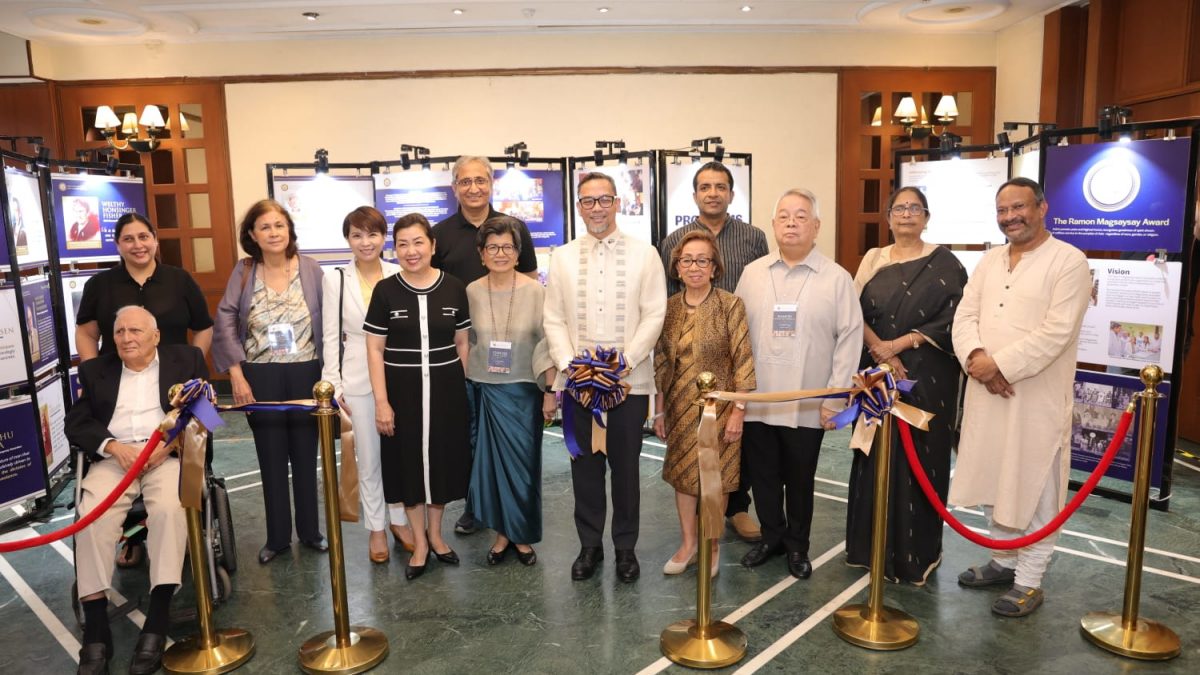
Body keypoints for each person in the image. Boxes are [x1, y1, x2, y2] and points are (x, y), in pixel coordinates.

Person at [950, 177, 1091, 617]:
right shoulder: (990, 261)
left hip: (1035, 398)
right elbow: (965, 315)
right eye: (1003, 210)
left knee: (1035, 485)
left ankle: (1029, 579)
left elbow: (1057, 332)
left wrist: (1000, 366)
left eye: (1019, 207)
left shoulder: (1069, 261)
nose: (1011, 217)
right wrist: (976, 357)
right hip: (988, 393)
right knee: (998, 476)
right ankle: (1004, 559)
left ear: (1043, 207)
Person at [66, 306, 208, 675]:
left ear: (156, 335)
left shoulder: (186, 360)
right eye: (119, 332)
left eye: (136, 331)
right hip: (116, 458)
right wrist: (113, 446)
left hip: (165, 455)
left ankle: (157, 618)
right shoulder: (96, 370)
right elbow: (77, 422)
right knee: (90, 518)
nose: (127, 338)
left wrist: (172, 446)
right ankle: (96, 628)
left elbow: (207, 416)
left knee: (169, 511)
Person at [544, 172, 667, 583]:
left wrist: (624, 363)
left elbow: (655, 313)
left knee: (626, 468)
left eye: (604, 200)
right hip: (578, 383)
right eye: (587, 201)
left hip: (628, 384)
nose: (596, 208)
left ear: (618, 203)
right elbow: (554, 318)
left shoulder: (645, 254)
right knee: (585, 466)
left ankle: (626, 549)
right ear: (578, 207)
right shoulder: (561, 257)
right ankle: (590, 546)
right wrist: (568, 366)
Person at [735, 188, 862, 579]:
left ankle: (797, 546)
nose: (791, 223)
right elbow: (736, 334)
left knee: (801, 478)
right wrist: (738, 399)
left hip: (809, 401)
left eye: (801, 216)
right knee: (763, 476)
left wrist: (834, 400)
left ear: (817, 226)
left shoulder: (837, 278)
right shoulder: (753, 273)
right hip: (759, 398)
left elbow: (850, 338)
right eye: (784, 216)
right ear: (773, 225)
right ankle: (771, 538)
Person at [844, 186, 967, 585]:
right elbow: (852, 309)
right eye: (899, 208)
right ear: (889, 217)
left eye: (915, 208)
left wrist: (900, 344)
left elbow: (955, 320)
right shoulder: (873, 258)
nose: (907, 215)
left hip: (927, 375)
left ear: (927, 217)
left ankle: (916, 554)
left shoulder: (945, 263)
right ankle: (868, 548)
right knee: (875, 458)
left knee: (920, 462)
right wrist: (880, 349)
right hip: (877, 375)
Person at [657, 161, 768, 543]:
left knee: (733, 454)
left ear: (732, 194)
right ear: (694, 195)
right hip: (686, 361)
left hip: (732, 349)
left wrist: (739, 403)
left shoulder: (753, 237)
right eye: (705, 187)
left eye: (720, 187)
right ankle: (694, 541)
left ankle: (736, 511)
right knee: (687, 466)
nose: (713, 193)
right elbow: (665, 303)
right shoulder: (675, 239)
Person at [213, 199, 326, 565]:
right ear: (252, 235)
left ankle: (310, 532)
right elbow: (226, 319)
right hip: (259, 375)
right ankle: (277, 538)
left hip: (307, 372)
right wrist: (236, 375)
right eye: (265, 227)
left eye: (279, 225)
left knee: (307, 456)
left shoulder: (310, 269)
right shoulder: (245, 271)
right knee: (271, 457)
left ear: (289, 230)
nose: (274, 233)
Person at [432, 155, 539, 536]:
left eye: (481, 180)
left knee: (512, 446)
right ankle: (475, 506)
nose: (473, 187)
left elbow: (527, 282)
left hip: (514, 358)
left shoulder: (516, 228)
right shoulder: (440, 234)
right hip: (463, 352)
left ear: (491, 183)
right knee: (470, 437)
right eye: (465, 181)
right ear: (455, 187)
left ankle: (510, 512)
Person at [364, 213, 472, 581]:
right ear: (396, 249)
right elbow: (375, 349)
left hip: (445, 390)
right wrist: (382, 401)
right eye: (404, 244)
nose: (412, 251)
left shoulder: (454, 287)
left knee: (440, 463)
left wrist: (461, 389)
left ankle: (437, 536)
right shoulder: (385, 291)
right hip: (401, 390)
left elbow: (462, 343)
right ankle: (419, 544)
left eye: (419, 242)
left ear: (432, 245)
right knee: (407, 464)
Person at [653, 230, 755, 577]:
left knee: (716, 481)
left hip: (721, 411)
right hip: (679, 409)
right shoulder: (667, 309)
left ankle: (712, 547)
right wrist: (660, 409)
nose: (694, 266)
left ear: (714, 268)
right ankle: (688, 544)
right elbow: (662, 362)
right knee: (683, 478)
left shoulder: (730, 305)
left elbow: (743, 360)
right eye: (687, 260)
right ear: (677, 268)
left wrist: (738, 412)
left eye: (702, 260)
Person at [319, 206, 414, 564]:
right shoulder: (336, 278)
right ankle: (377, 526)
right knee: (370, 457)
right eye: (357, 235)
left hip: (400, 371)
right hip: (357, 374)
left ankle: (400, 521)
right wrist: (334, 382)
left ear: (383, 237)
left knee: (401, 453)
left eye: (372, 234)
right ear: (348, 239)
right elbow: (331, 334)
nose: (365, 242)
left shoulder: (398, 271)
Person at [465, 215, 557, 566]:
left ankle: (522, 535)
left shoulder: (536, 291)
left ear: (518, 254)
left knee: (524, 468)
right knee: (489, 469)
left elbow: (546, 344)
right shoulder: (471, 291)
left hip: (522, 391)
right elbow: (465, 341)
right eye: (492, 247)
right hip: (482, 390)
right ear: (482, 254)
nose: (500, 253)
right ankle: (503, 535)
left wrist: (550, 390)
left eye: (507, 247)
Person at [76, 212, 213, 361]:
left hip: (174, 378)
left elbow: (203, 328)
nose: (138, 245)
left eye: (143, 237)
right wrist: (92, 374)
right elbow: (87, 334)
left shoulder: (181, 280)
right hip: (115, 378)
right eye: (128, 239)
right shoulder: (98, 284)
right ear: (118, 245)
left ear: (154, 239)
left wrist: (192, 364)